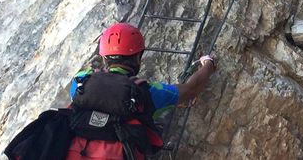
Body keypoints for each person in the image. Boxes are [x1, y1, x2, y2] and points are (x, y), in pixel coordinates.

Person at [66, 23, 217, 160]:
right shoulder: (147, 93)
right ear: (138, 57)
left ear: (104, 58)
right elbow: (191, 89)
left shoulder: (79, 82)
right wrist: (208, 64)